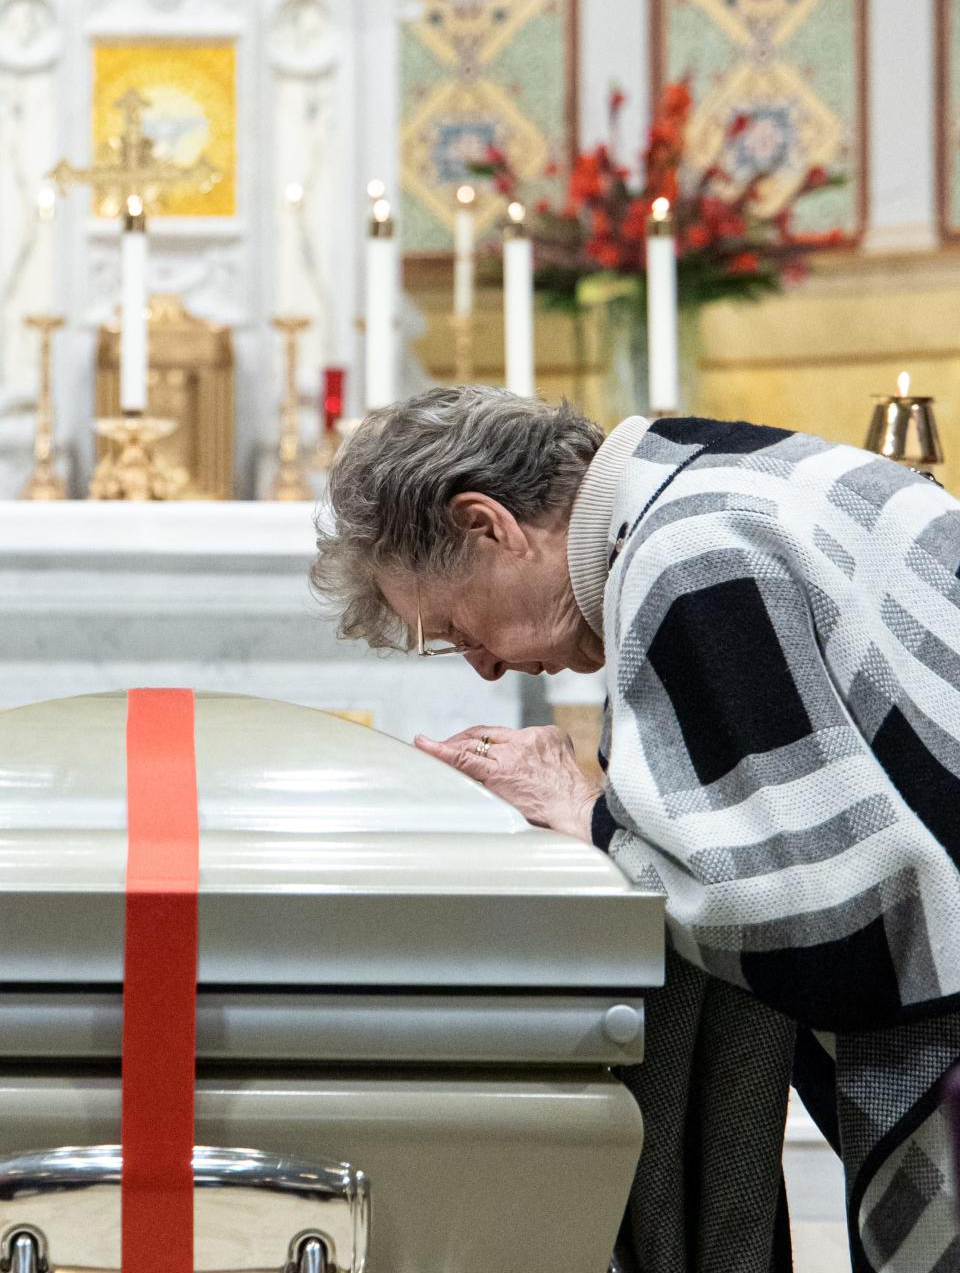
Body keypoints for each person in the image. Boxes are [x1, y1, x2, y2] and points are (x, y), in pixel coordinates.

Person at [311, 385, 960, 1273]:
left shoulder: (688, 554)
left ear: (485, 522)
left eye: (453, 626)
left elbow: (816, 920)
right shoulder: (735, 470)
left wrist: (588, 816)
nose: (485, 664)